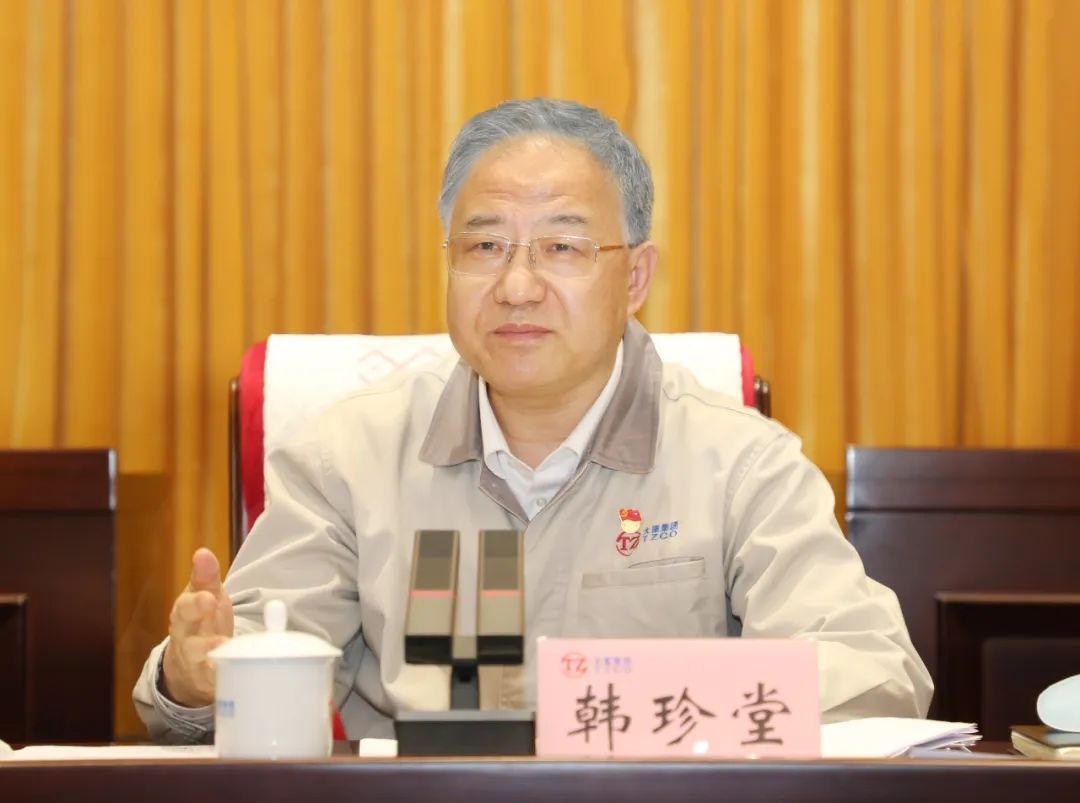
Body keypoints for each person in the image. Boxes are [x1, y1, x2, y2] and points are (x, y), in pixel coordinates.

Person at [134, 98, 932, 742]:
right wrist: (192, 677)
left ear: (636, 277)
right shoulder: (347, 457)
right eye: (485, 247)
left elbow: (875, 676)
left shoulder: (741, 463)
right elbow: (236, 672)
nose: (517, 286)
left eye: (562, 248)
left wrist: (609, 702)